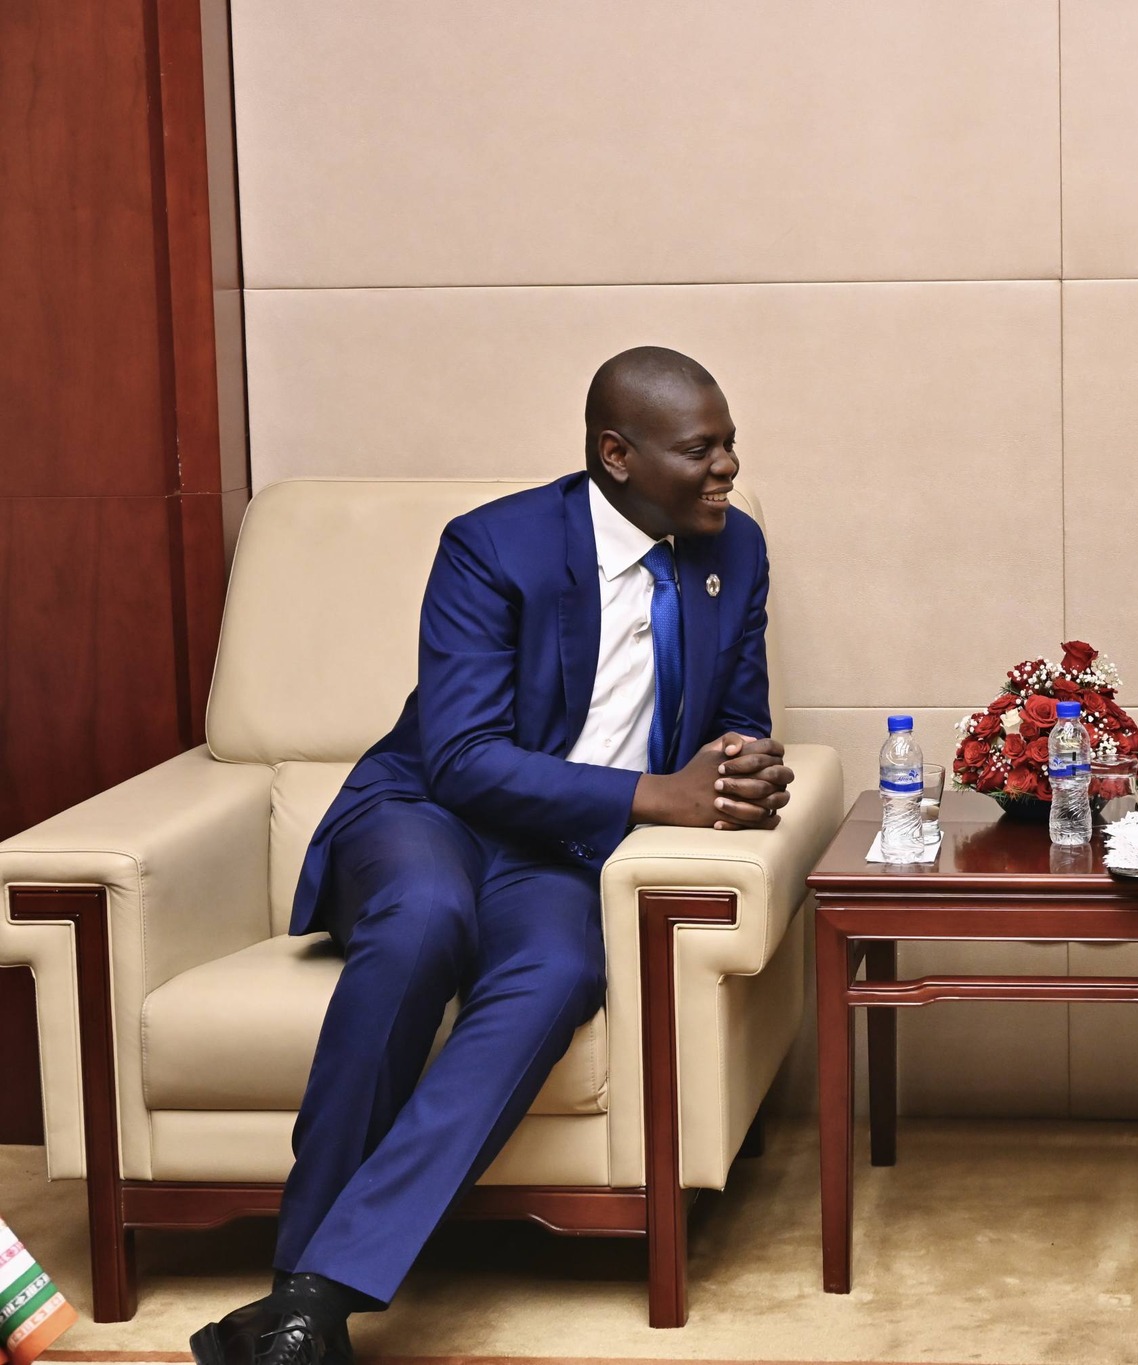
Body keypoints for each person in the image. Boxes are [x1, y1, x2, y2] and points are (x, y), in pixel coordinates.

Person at [191, 347, 794, 1365]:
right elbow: (463, 758)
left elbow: (737, 722)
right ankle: (306, 1273)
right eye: (702, 449)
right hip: (428, 813)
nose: (727, 466)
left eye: (729, 444)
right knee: (425, 919)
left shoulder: (733, 551)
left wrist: (745, 773)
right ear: (617, 455)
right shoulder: (494, 545)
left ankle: (308, 1301)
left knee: (559, 969)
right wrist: (656, 793)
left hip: (562, 853)